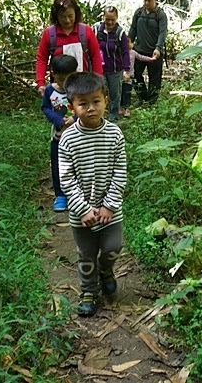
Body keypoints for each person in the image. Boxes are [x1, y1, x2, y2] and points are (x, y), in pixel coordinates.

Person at [58, 72, 127, 317]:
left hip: (111, 211)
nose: (90, 108)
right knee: (86, 254)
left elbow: (120, 171)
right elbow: (66, 178)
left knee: (113, 246)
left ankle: (106, 270)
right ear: (71, 107)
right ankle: (88, 290)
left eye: (96, 101)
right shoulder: (68, 139)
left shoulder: (114, 134)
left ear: (106, 101)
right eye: (83, 103)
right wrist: (83, 209)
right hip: (82, 214)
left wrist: (109, 205)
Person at [35, 0, 103, 96]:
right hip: (58, 88)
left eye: (70, 16)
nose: (67, 20)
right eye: (62, 16)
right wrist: (40, 83)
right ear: (56, 15)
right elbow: (42, 59)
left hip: (83, 87)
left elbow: (95, 56)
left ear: (76, 13)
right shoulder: (49, 34)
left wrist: (98, 81)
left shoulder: (86, 31)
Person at [42, 54, 78, 212]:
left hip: (78, 137)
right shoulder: (50, 90)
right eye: (60, 79)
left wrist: (75, 118)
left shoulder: (78, 89)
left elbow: (85, 107)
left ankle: (76, 195)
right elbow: (46, 108)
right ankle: (60, 195)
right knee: (58, 166)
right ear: (53, 74)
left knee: (78, 165)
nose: (64, 83)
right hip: (58, 137)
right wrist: (57, 119)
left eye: (67, 79)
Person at [128, 0, 167, 105]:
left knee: (154, 78)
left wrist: (158, 48)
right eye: (145, 0)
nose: (146, 3)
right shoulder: (139, 13)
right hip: (139, 51)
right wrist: (129, 42)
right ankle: (142, 97)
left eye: (149, 1)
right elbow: (133, 28)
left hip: (154, 52)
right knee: (134, 75)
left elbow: (162, 33)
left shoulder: (160, 15)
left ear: (155, 0)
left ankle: (152, 101)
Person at [93, 6, 130, 122]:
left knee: (115, 95)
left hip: (115, 70)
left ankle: (113, 119)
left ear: (116, 18)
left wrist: (126, 70)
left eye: (112, 20)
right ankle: (99, 118)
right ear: (103, 17)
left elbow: (125, 52)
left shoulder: (120, 33)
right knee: (99, 94)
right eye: (107, 19)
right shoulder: (96, 29)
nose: (109, 22)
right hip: (99, 70)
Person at [120, 39, 152, 117]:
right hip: (120, 77)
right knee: (120, 93)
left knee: (127, 93)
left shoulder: (133, 53)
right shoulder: (119, 53)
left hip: (129, 77)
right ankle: (121, 107)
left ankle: (127, 108)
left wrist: (150, 59)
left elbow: (141, 57)